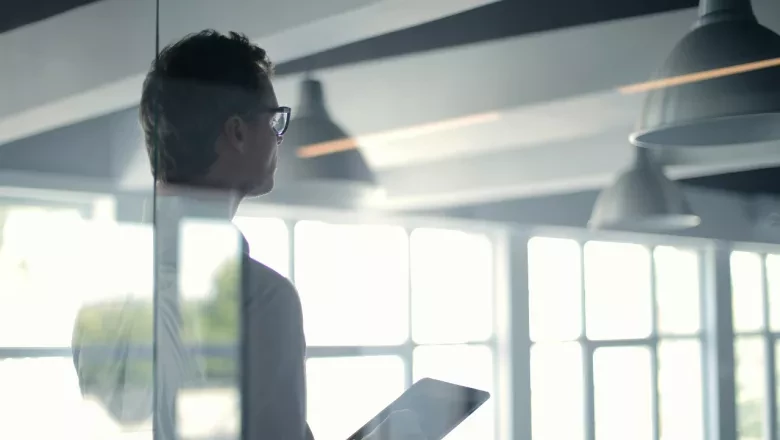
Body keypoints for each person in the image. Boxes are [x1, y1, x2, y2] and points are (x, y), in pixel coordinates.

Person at [74, 30, 425, 440]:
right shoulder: (260, 297)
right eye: (275, 121)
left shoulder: (104, 297)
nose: (280, 136)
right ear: (238, 133)